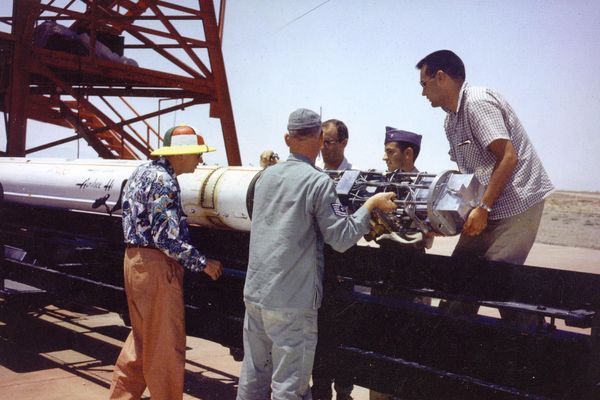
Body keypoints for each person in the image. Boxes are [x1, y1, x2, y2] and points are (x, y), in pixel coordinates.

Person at [236, 108, 397, 400]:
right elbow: (342, 237)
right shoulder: (318, 182)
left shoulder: (264, 177)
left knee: (253, 379)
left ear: (287, 139)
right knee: (289, 387)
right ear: (320, 138)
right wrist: (371, 205)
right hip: (292, 303)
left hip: (256, 296)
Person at [415, 50, 554, 322]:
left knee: (497, 276)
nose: (423, 93)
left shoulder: (477, 102)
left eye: (424, 84)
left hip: (518, 202)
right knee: (459, 273)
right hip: (486, 204)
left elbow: (508, 156)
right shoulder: (450, 120)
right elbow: (466, 176)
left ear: (440, 77)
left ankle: (531, 348)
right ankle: (452, 342)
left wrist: (485, 206)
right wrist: (447, 218)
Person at [108, 124, 224, 400]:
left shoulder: (142, 172)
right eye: (197, 153)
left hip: (134, 263)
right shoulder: (164, 181)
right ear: (180, 154)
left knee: (140, 343)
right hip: (157, 269)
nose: (200, 159)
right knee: (165, 350)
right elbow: (166, 238)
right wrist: (203, 262)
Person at [312, 118, 354, 400]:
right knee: (317, 335)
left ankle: (344, 391)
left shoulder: (355, 179)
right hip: (315, 267)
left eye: (328, 142)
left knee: (341, 334)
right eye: (320, 142)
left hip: (341, 268)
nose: (323, 148)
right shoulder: (313, 176)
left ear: (343, 143)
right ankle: (321, 390)